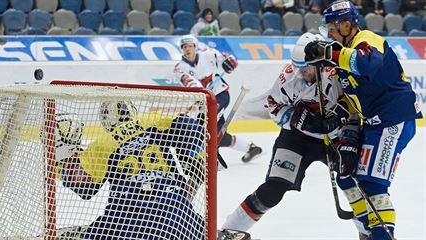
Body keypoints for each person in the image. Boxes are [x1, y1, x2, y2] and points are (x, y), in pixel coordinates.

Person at [220, 32, 361, 238]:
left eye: (306, 67)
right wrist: (297, 118)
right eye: (298, 67)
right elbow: (273, 105)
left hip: (335, 138)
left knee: (354, 185)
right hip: (297, 138)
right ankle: (230, 230)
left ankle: (369, 232)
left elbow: (355, 104)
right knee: (273, 189)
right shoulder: (288, 77)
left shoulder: (338, 74)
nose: (301, 72)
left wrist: (338, 117)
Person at [304, 0, 423, 239]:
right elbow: (352, 101)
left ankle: (381, 235)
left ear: (347, 25)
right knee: (347, 178)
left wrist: (328, 52)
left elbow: (368, 63)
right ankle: (368, 231)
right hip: (373, 123)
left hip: (393, 121)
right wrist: (347, 135)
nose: (329, 34)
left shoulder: (368, 40)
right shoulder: (340, 58)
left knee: (374, 185)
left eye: (332, 28)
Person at [52, 101, 207, 239]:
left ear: (106, 121)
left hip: (127, 217)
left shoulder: (102, 145)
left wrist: (60, 163)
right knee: (201, 230)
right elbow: (190, 127)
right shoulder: (153, 120)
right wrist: (195, 156)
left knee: (91, 234)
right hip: (176, 212)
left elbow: (85, 189)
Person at [172, 34, 263, 165]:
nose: (188, 49)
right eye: (185, 47)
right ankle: (251, 147)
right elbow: (188, 82)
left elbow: (227, 58)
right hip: (203, 100)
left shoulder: (208, 54)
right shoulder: (179, 68)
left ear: (195, 47)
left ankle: (210, 156)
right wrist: (201, 90)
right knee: (215, 133)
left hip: (220, 95)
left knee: (208, 125)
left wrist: (230, 62)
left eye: (190, 46)